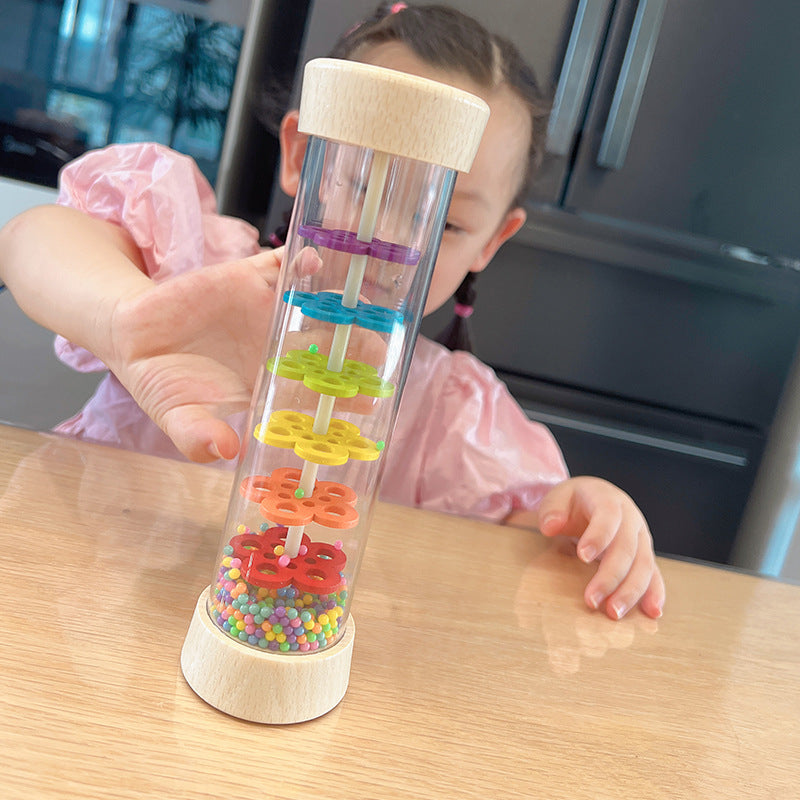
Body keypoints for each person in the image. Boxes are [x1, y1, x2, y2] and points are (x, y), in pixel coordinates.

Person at [0, 2, 664, 621]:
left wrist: (580, 517)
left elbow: (511, 540)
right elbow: (35, 238)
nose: (388, 250)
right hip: (83, 605)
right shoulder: (198, 271)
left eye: (445, 224)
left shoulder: (451, 411)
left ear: (493, 241)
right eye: (364, 187)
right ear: (300, 154)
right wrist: (128, 317)